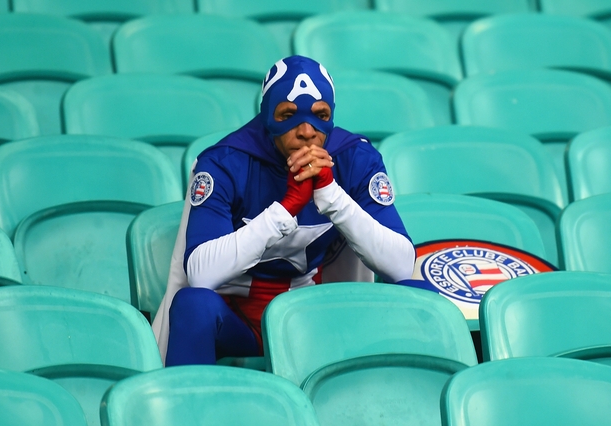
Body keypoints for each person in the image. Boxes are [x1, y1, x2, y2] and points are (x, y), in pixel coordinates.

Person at [151, 55, 415, 366]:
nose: (306, 131)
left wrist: (332, 196)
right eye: (288, 114)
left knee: (418, 297)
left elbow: (400, 266)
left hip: (313, 320)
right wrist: (285, 209)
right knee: (193, 305)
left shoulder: (354, 157)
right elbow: (200, 274)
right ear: (267, 116)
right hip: (235, 317)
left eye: (320, 115)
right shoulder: (225, 162)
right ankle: (187, 410)